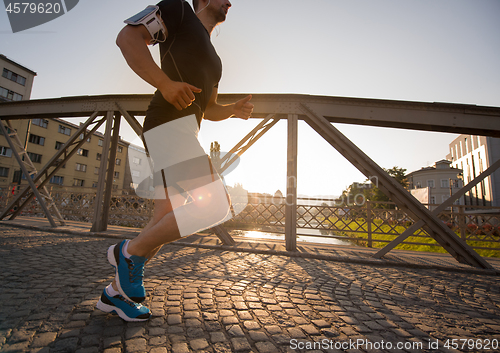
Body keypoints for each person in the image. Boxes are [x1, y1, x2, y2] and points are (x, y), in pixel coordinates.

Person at [96, 0, 253, 321]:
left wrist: (232, 109)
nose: (230, 2)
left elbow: (208, 107)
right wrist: (164, 84)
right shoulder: (178, 10)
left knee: (163, 219)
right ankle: (126, 253)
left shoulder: (215, 59)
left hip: (184, 130)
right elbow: (127, 38)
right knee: (214, 205)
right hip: (167, 124)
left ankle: (115, 294)